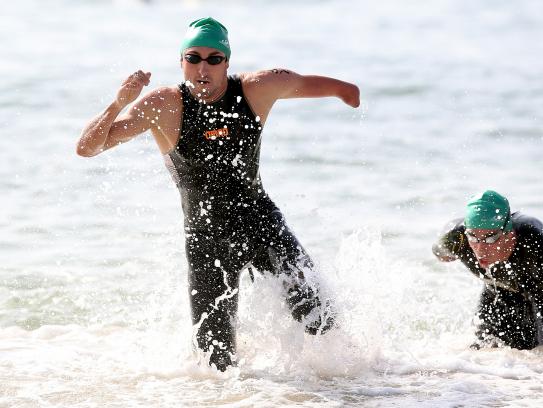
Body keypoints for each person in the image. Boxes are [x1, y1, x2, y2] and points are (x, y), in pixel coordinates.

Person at [76, 17, 360, 371]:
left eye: (213, 58)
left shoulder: (259, 87)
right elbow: (87, 148)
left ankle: (357, 390)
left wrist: (349, 95)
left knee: (323, 321)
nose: (203, 67)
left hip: (262, 226)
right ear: (181, 62)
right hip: (206, 242)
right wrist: (118, 103)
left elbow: (330, 87)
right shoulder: (164, 104)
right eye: (193, 57)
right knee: (216, 364)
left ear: (227, 61)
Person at [432, 190, 543, 350]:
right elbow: (439, 252)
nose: (480, 249)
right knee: (481, 349)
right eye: (473, 237)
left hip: (542, 296)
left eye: (490, 238)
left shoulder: (538, 244)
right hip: (496, 291)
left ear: (509, 232)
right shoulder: (457, 239)